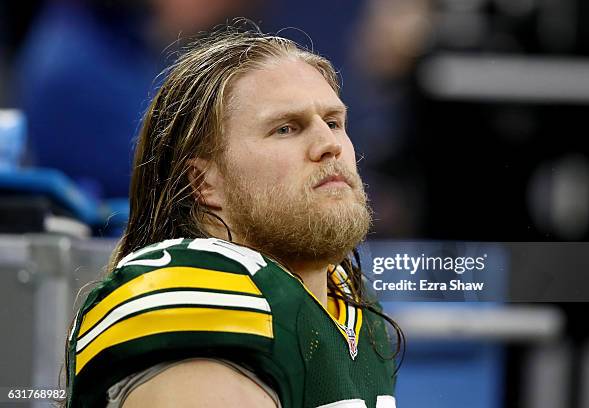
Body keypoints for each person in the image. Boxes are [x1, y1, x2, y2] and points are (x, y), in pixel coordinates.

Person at [65, 24, 400, 408]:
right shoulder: (198, 307)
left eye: (334, 122)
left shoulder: (351, 307)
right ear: (203, 182)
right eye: (286, 128)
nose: (329, 145)